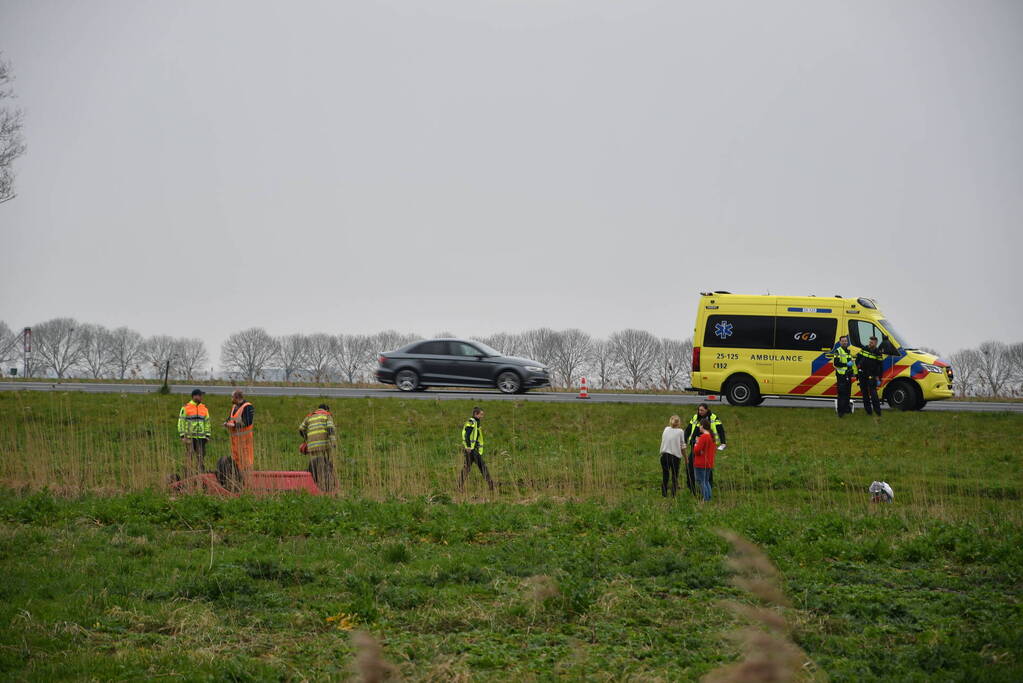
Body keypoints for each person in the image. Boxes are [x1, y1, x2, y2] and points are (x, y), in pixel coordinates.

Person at [683, 404, 726, 495]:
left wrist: (723, 442)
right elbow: (688, 429)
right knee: (690, 466)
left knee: (706, 467)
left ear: (707, 410)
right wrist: (685, 440)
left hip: (707, 445)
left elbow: (720, 430)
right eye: (699, 410)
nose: (700, 412)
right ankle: (692, 487)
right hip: (695, 444)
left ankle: (707, 487)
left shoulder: (713, 417)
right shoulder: (695, 417)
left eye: (702, 410)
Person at [300, 404, 338, 491]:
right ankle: (326, 486)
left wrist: (306, 439)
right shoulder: (327, 416)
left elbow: (301, 428)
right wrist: (333, 443)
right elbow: (330, 429)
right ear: (327, 410)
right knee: (325, 463)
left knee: (314, 464)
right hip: (324, 445)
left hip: (312, 446)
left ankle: (313, 483)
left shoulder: (310, 416)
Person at [458, 406, 494, 492]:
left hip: (473, 449)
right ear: (475, 414)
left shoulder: (476, 422)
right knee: (482, 467)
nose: (482, 416)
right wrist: (468, 447)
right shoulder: (471, 422)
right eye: (481, 414)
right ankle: (491, 485)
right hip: (471, 450)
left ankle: (459, 486)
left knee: (467, 468)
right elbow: (467, 435)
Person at [177, 389, 211, 477]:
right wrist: (182, 436)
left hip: (201, 438)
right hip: (189, 438)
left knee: (201, 457)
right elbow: (181, 422)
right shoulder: (185, 408)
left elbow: (207, 422)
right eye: (200, 395)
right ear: (194, 396)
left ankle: (201, 475)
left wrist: (207, 435)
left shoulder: (204, 408)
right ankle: (186, 475)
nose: (201, 397)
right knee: (189, 457)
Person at [224, 390, 255, 471]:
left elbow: (248, 421)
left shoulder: (248, 406)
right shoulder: (234, 407)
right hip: (235, 439)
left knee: (245, 458)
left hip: (244, 439)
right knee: (236, 457)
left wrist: (235, 425)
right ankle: (237, 474)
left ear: (236, 398)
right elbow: (231, 418)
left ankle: (246, 474)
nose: (231, 399)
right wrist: (227, 423)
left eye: (232, 397)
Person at [856, 336, 886, 417]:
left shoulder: (878, 352)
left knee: (873, 395)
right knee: (864, 394)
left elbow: (880, 366)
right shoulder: (864, 349)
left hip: (872, 376)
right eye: (869, 342)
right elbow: (857, 359)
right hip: (862, 375)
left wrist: (879, 377)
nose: (870, 343)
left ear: (876, 343)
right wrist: (858, 367)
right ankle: (868, 412)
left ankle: (878, 412)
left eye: (872, 342)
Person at [659, 415, 686, 497]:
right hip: (675, 457)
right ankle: (673, 494)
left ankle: (664, 494)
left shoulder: (666, 429)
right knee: (675, 476)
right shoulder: (680, 431)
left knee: (665, 475)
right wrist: (686, 458)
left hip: (664, 456)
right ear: (679, 423)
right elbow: (683, 446)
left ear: (670, 421)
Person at [692, 418, 716, 502]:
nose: (699, 427)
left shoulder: (703, 437)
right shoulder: (711, 436)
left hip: (701, 463)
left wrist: (696, 443)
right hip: (709, 462)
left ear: (702, 426)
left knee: (701, 481)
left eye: (699, 426)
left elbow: (696, 450)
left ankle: (705, 499)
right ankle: (708, 498)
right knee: (706, 481)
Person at [833, 335, 856, 417]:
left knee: (848, 393)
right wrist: (846, 364)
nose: (844, 342)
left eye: (846, 341)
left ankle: (847, 409)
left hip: (848, 375)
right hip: (841, 375)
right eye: (843, 341)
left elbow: (851, 364)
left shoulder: (848, 351)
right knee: (842, 394)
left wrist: (853, 372)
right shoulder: (837, 351)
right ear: (840, 342)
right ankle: (840, 412)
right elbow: (836, 363)